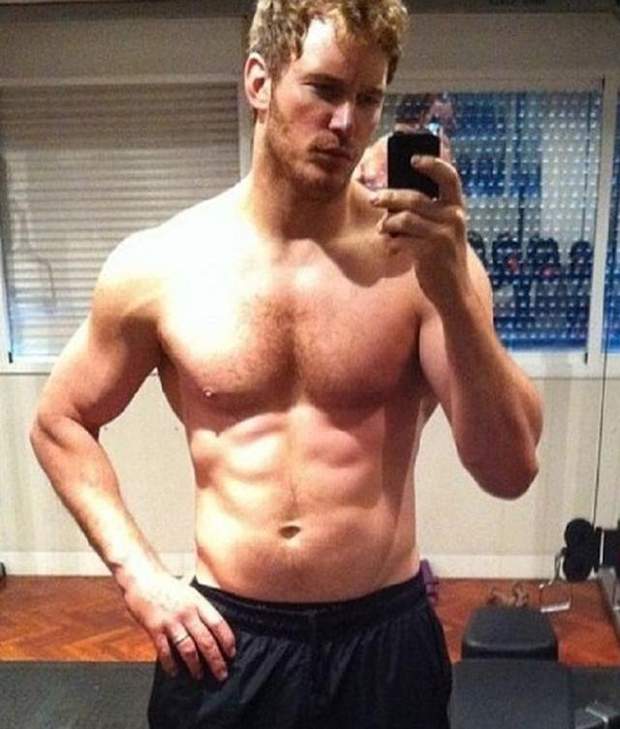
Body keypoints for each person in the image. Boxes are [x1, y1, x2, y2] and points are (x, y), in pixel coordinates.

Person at [30, 1, 543, 727]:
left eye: (368, 98)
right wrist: (139, 575)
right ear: (259, 81)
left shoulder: (420, 264)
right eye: (324, 89)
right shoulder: (162, 264)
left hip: (384, 644)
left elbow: (510, 470)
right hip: (228, 643)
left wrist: (455, 292)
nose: (346, 122)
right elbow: (59, 422)